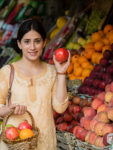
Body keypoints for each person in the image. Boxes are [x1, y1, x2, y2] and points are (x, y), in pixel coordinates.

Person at [0, 20, 70, 150]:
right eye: (27, 42)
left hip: (45, 144)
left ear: (44, 43)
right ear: (19, 44)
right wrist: (9, 109)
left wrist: (61, 72)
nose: (32, 47)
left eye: (37, 41)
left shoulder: (52, 71)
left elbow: (60, 108)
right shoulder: (7, 72)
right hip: (15, 143)